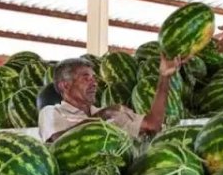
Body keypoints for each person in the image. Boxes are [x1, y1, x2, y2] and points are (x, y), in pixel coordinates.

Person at [38, 56, 182, 142]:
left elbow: (152, 125)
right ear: (65, 85)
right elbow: (60, 140)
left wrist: (164, 77)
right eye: (85, 77)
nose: (94, 83)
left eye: (94, 78)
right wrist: (103, 115)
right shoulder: (51, 112)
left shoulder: (112, 115)